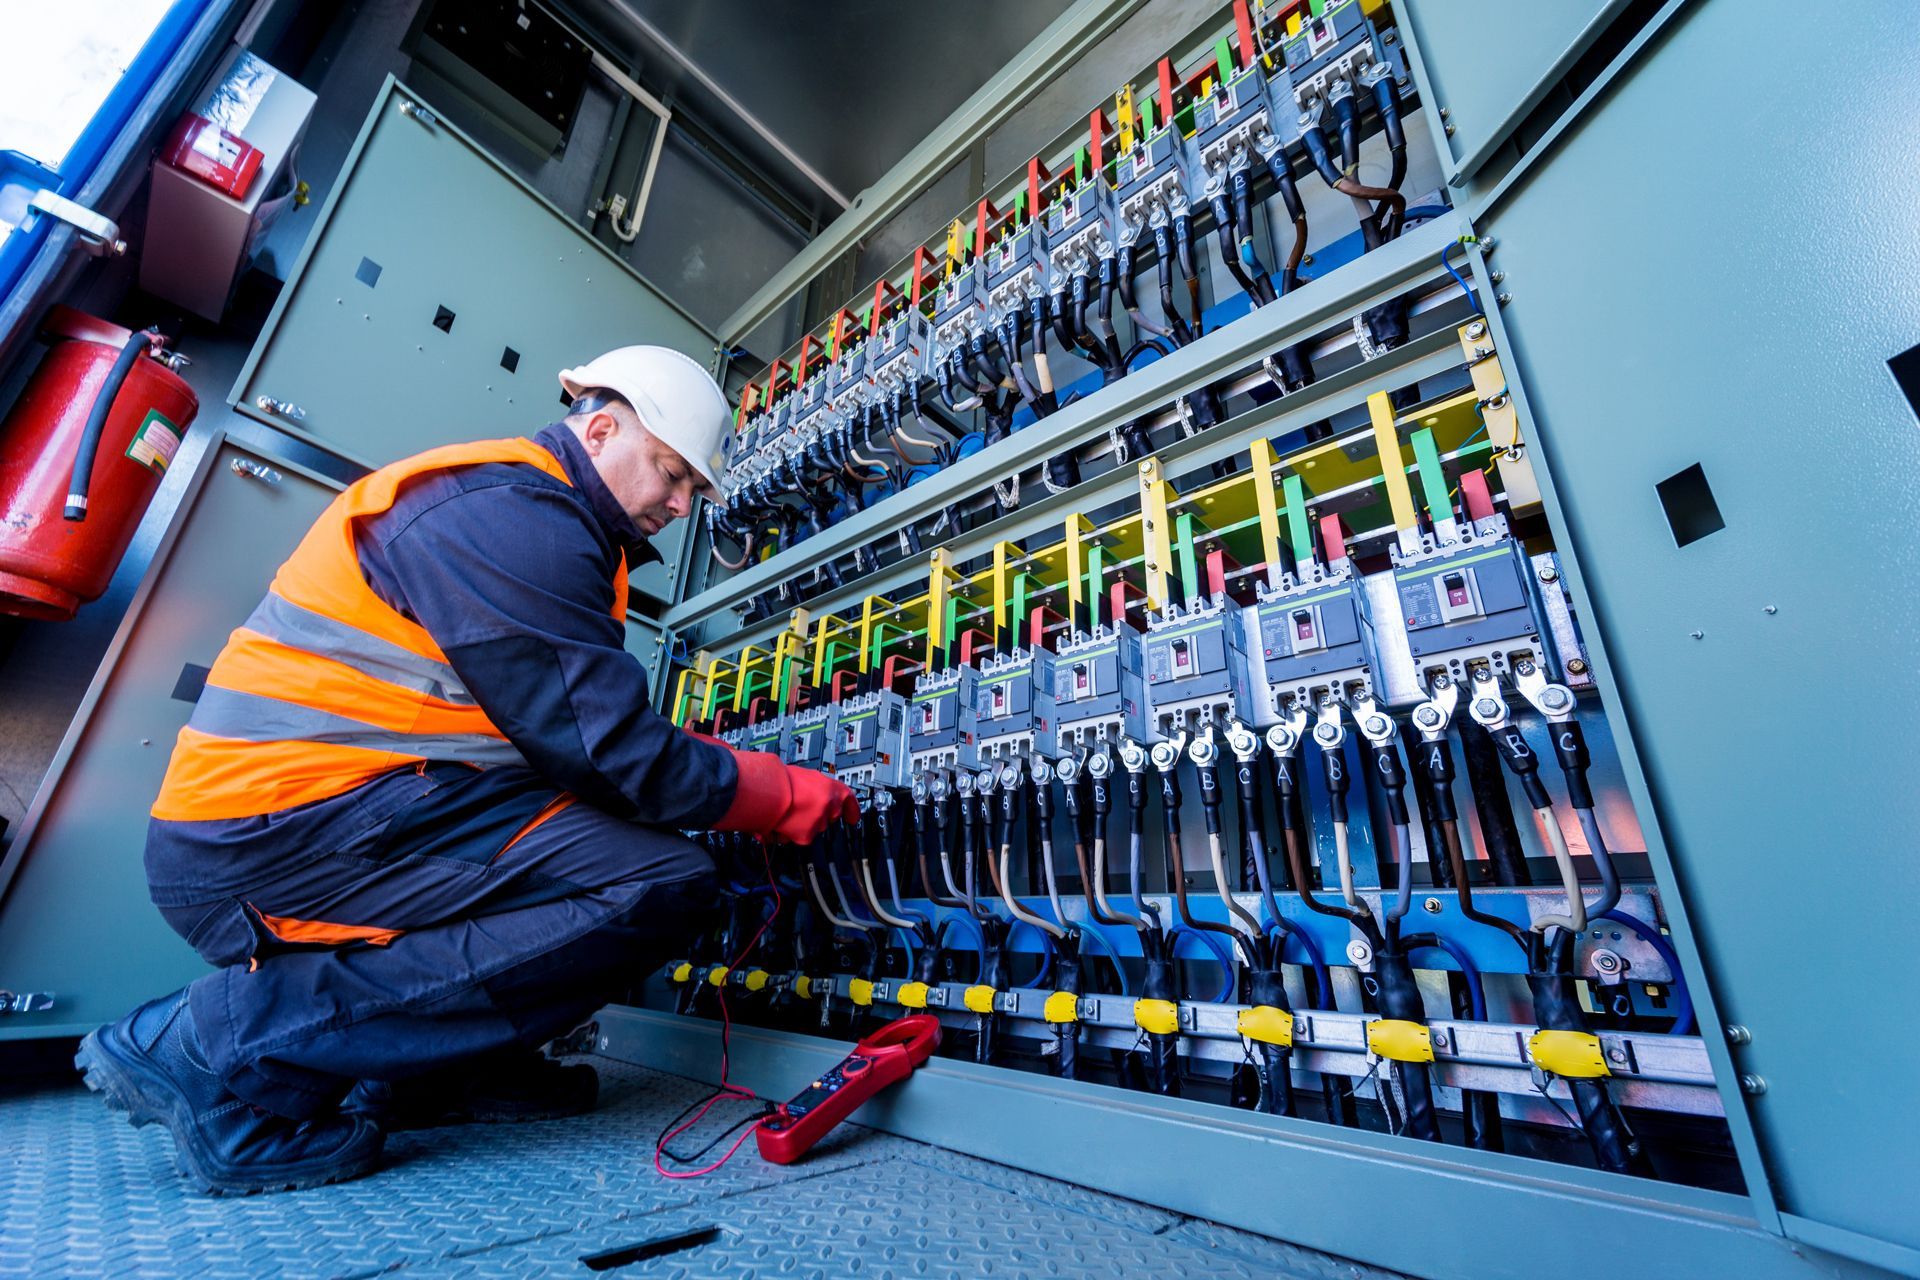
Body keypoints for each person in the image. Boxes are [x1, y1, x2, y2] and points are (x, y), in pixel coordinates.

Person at [75, 346, 854, 1194]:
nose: (679, 504)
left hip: (355, 813)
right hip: (275, 838)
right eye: (672, 474)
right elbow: (610, 750)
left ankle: (440, 1071)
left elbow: (567, 743)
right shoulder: (515, 519)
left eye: (692, 491)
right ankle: (223, 1048)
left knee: (626, 856)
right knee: (657, 882)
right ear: (599, 428)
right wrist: (773, 791)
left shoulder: (550, 525)